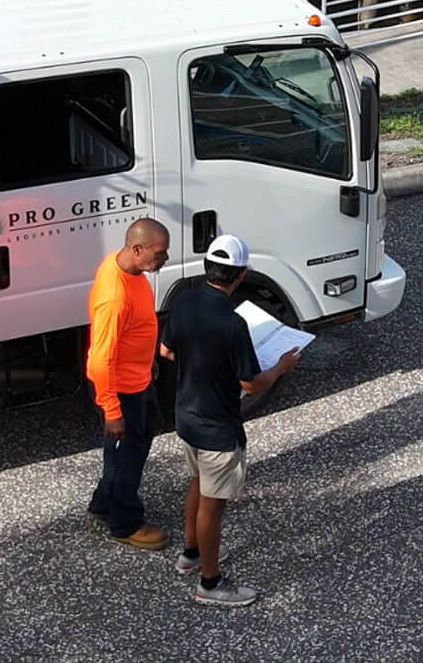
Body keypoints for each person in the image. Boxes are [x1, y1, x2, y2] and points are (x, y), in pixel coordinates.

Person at [159, 234, 299, 608]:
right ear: (241, 275)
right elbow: (251, 385)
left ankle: (189, 553)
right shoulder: (233, 324)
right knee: (213, 502)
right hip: (218, 426)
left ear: (208, 268)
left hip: (185, 416)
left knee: (196, 481)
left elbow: (166, 350)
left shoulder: (183, 301)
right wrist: (282, 367)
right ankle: (210, 581)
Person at [85, 218, 171, 549]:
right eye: (159, 253)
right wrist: (112, 410)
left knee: (120, 452)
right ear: (137, 249)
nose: (163, 259)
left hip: (136, 379)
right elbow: (100, 359)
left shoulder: (125, 268)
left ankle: (103, 503)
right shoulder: (114, 296)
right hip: (122, 390)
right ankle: (126, 523)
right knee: (128, 456)